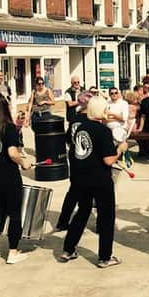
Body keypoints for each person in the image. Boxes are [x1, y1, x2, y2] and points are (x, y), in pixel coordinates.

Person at [59, 96, 125, 268]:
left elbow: (75, 152)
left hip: (81, 177)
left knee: (82, 211)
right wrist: (120, 149)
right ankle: (105, 257)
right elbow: (109, 160)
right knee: (106, 216)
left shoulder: (80, 128)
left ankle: (68, 248)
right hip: (99, 178)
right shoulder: (103, 131)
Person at [0, 94, 32, 264]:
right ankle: (13, 251)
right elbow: (12, 152)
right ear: (5, 108)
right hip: (8, 175)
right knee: (15, 213)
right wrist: (24, 162)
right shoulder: (9, 128)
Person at [55, 91, 93, 232]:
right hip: (86, 158)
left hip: (74, 156)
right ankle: (97, 224)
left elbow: (68, 139)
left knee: (74, 190)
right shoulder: (89, 121)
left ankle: (63, 221)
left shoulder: (74, 118)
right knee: (90, 192)